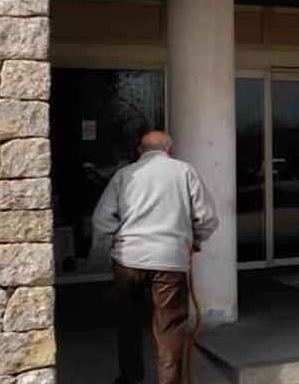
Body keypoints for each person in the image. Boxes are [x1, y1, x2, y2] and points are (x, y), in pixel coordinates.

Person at [93, 131, 219, 384]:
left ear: (140, 151)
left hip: (128, 260)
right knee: (170, 328)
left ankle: (130, 378)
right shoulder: (185, 172)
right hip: (169, 260)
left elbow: (102, 220)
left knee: (127, 321)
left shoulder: (124, 175)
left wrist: (113, 248)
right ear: (170, 150)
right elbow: (207, 217)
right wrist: (195, 240)